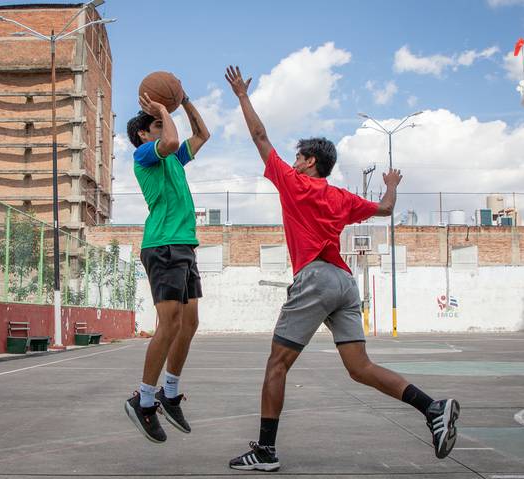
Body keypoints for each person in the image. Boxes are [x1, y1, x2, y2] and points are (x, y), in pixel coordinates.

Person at [224, 65, 459, 471]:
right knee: (359, 367)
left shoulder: (295, 184)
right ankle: (432, 408)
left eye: (298, 156)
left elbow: (260, 138)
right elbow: (386, 209)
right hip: (345, 283)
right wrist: (391, 183)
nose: (292, 161)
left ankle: (265, 452)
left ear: (309, 161)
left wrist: (243, 95)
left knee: (277, 364)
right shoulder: (340, 197)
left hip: (315, 276)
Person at [124, 80, 210, 443]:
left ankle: (169, 393)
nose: (164, 123)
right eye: (157, 123)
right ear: (144, 134)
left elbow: (202, 134)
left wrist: (184, 100)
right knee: (169, 323)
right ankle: (142, 400)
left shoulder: (173, 159)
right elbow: (172, 141)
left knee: (189, 324)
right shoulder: (145, 155)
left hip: (184, 246)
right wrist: (161, 110)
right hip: (162, 245)